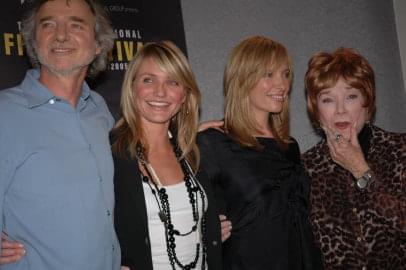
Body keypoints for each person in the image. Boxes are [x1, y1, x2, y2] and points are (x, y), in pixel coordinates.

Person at [0, 0, 120, 269]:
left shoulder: (99, 111)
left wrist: (184, 135)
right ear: (34, 42)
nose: (61, 35)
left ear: (98, 44)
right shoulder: (4, 114)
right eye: (49, 25)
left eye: (76, 25)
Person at [198, 36, 323, 270]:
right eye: (269, 74)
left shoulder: (290, 146)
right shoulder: (213, 144)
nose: (282, 85)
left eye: (285, 74)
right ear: (243, 78)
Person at [111, 40, 223, 270]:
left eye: (173, 81)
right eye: (148, 80)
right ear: (132, 88)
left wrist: (209, 227)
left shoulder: (193, 154)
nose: (160, 92)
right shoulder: (111, 154)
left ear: (184, 95)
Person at [301, 47, 406, 269]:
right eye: (328, 99)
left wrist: (361, 170)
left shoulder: (400, 150)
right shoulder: (305, 168)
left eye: (351, 96)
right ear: (315, 108)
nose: (340, 110)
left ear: (366, 102)